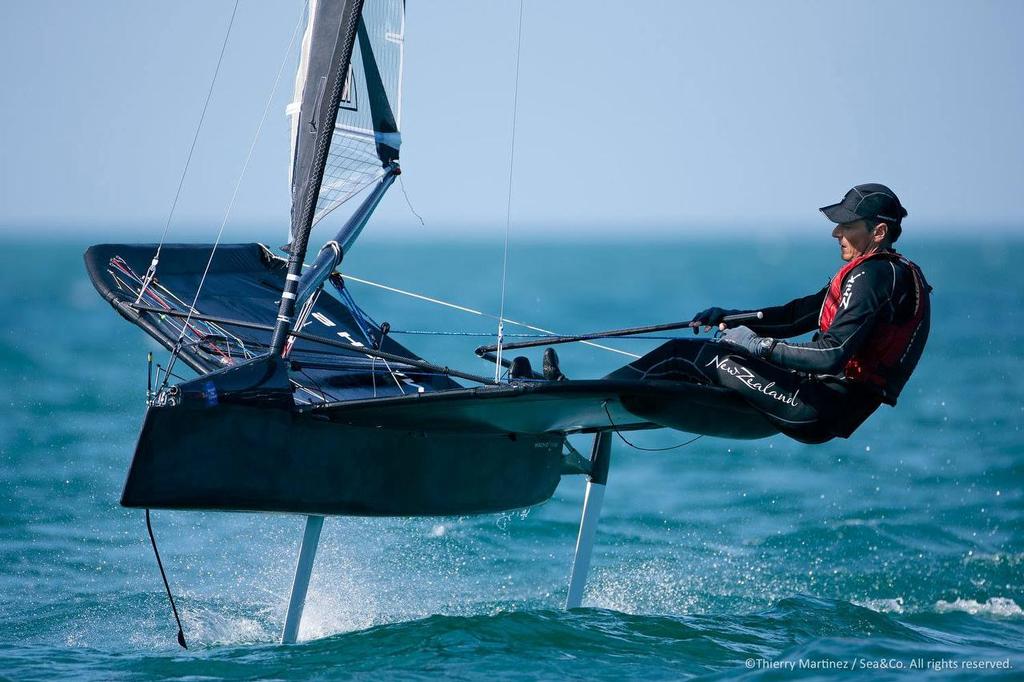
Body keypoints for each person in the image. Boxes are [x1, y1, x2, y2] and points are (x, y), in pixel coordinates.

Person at [608, 183, 931, 444]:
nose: (836, 233)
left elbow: (831, 354)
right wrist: (732, 318)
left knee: (683, 353)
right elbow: (795, 316)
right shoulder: (889, 275)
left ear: (878, 233)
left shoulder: (872, 276)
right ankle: (623, 397)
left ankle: (595, 393)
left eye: (847, 225)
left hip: (816, 406)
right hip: (823, 407)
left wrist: (756, 345)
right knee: (710, 355)